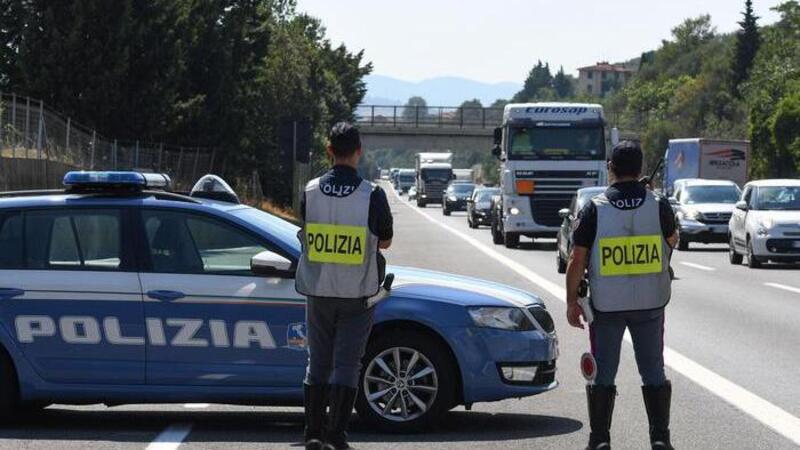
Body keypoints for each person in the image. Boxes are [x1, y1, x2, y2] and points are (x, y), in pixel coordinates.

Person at [566, 141, 679, 450]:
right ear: (640, 169)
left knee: (603, 373)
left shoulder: (594, 208)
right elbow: (672, 240)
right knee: (653, 370)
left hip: (607, 306)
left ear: (611, 169)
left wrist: (571, 302)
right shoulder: (658, 204)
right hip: (651, 303)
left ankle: (599, 440)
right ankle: (660, 438)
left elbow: (577, 260)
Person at [295, 122, 393, 450]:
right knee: (347, 364)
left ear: (329, 150)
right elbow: (386, 241)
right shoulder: (372, 195)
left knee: (317, 360)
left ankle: (312, 433)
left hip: (319, 289)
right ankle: (336, 434)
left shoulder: (309, 191)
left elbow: (306, 231)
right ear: (359, 151)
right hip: (357, 294)